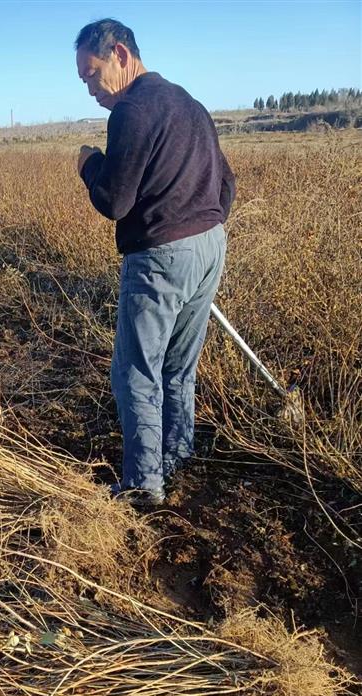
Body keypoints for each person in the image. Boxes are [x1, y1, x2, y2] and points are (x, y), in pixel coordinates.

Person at [75, 18, 235, 506]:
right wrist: (200, 224)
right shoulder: (190, 103)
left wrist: (89, 165)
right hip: (210, 246)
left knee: (135, 372)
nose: (90, 89)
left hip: (161, 257)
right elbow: (226, 184)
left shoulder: (131, 111)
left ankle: (144, 483)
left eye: (91, 74)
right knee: (178, 366)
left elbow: (114, 201)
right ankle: (175, 454)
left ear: (120, 55)